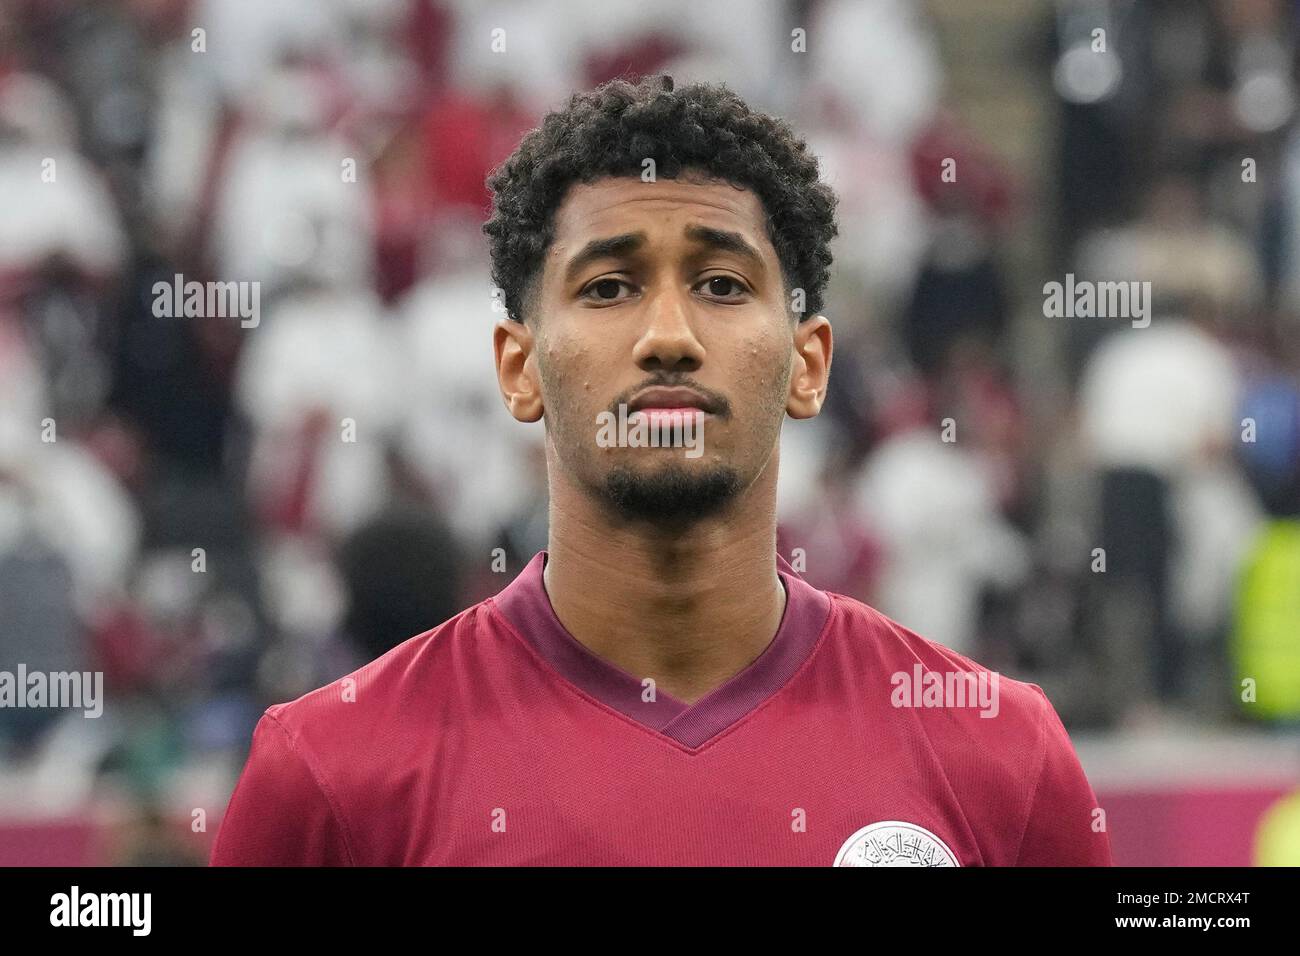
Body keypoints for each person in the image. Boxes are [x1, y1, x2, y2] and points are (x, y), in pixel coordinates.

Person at [211, 75, 1110, 866]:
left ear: (808, 364)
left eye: (722, 283)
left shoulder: (1000, 756)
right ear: (520, 369)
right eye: (608, 287)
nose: (668, 336)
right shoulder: (331, 771)